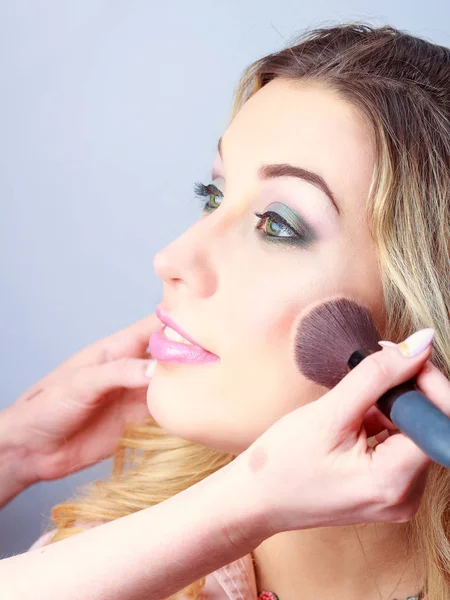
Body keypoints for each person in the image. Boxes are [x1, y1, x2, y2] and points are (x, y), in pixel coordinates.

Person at [1, 20, 449, 600]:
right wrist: (15, 450)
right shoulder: (107, 553)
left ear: (420, 315)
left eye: (277, 224)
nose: (172, 257)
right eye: (213, 195)